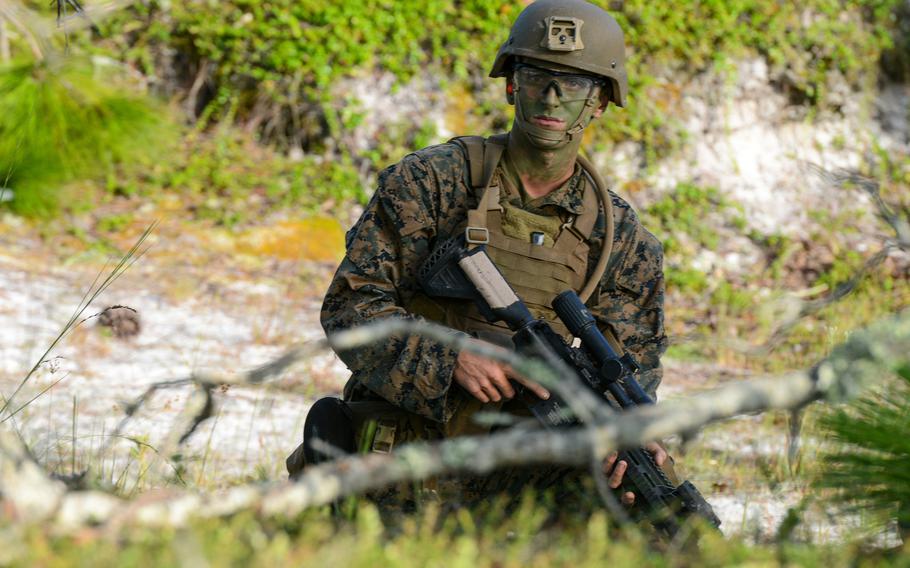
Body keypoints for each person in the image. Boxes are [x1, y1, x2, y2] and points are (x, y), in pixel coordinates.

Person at [288, 0, 669, 512]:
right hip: (401, 459)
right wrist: (452, 360)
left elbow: (630, 373)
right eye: (537, 76)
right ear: (512, 84)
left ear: (599, 104)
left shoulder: (622, 239)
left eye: (574, 84)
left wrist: (628, 442)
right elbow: (352, 310)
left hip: (523, 478)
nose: (551, 97)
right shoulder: (431, 182)